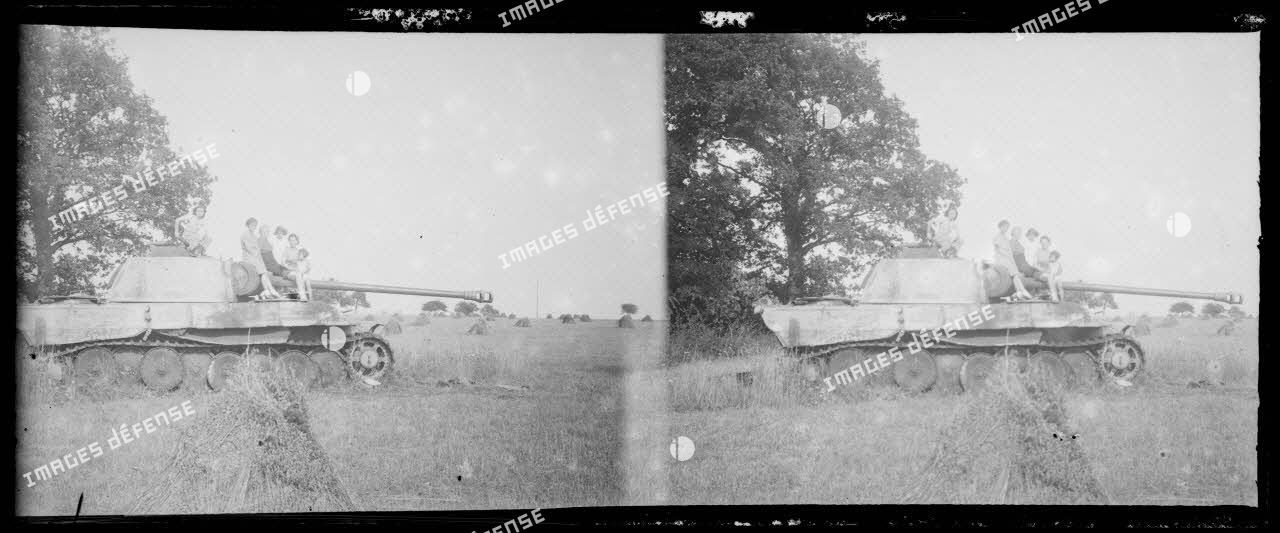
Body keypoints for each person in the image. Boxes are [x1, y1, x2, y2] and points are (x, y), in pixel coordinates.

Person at [240, 218, 282, 299]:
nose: (253, 227)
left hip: (255, 257)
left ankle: (269, 290)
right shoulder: (245, 234)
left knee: (264, 272)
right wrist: (258, 253)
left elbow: (257, 248)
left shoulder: (253, 235)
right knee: (263, 271)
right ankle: (270, 290)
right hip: (249, 257)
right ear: (248, 225)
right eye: (252, 225)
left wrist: (258, 253)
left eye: (255, 225)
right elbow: (250, 249)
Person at [994, 221, 1032, 300]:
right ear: (1000, 227)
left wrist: (1010, 257)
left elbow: (1009, 251)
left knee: (1015, 274)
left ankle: (1020, 291)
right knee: (1014, 273)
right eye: (1004, 227)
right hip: (1001, 259)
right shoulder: (997, 237)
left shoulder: (1005, 237)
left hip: (1007, 259)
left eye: (1007, 227)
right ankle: (1022, 291)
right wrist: (1008, 256)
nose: (1005, 229)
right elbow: (999, 250)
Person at [1036, 236, 1062, 302]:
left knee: (1055, 279)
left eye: (1046, 242)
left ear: (1049, 243)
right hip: (1038, 273)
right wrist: (1043, 270)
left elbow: (1057, 267)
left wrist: (1055, 273)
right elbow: (1034, 265)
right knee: (1050, 276)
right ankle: (1054, 296)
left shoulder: (1051, 254)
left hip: (1048, 274)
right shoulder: (1037, 252)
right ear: (1040, 243)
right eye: (1042, 242)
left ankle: (1055, 296)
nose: (1044, 244)